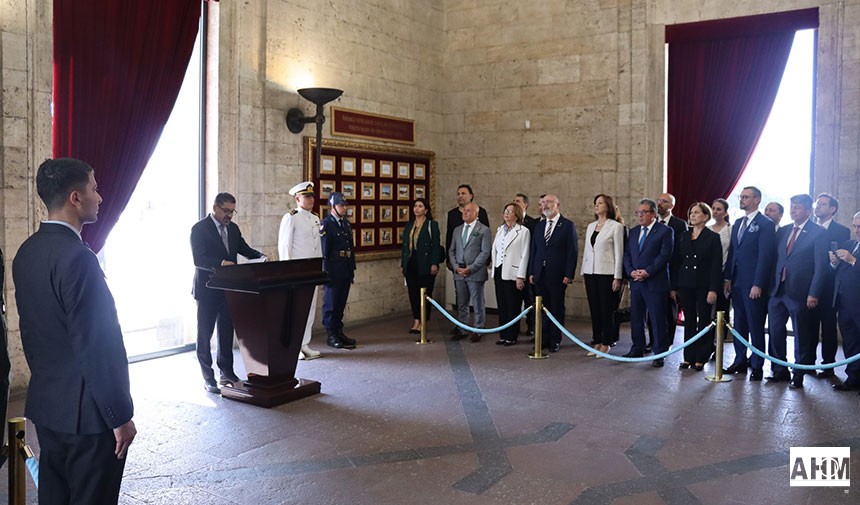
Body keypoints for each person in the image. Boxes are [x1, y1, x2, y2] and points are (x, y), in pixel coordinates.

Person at [13, 158, 136, 504]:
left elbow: (31, 334)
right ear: (75, 198)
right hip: (89, 418)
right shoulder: (79, 258)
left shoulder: (26, 252)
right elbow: (98, 345)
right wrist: (120, 415)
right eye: (94, 188)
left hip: (48, 407)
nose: (100, 196)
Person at [191, 192, 265, 392]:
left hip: (229, 289)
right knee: (204, 334)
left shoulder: (233, 229)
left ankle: (227, 372)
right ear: (215, 207)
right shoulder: (199, 229)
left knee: (226, 332)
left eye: (232, 211)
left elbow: (244, 249)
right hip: (207, 289)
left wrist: (261, 256)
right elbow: (199, 260)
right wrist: (221, 264)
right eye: (226, 211)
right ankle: (208, 377)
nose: (229, 216)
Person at [766, 194, 827, 389]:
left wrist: (814, 293)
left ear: (808, 210)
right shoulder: (783, 230)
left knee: (801, 335)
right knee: (775, 332)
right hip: (778, 290)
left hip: (801, 293)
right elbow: (777, 259)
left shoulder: (818, 233)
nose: (793, 210)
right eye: (792, 207)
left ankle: (798, 374)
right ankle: (779, 370)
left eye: (798, 207)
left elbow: (821, 267)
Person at [723, 186, 776, 380]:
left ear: (756, 200)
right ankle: (739, 360)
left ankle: (757, 365)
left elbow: (765, 256)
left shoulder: (765, 224)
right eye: (741, 196)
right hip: (737, 282)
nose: (742, 200)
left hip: (753, 284)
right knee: (739, 324)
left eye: (746, 197)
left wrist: (758, 283)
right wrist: (728, 278)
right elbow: (733, 254)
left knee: (755, 325)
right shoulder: (738, 223)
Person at [622, 198, 674, 366]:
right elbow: (627, 254)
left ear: (653, 214)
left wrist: (647, 272)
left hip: (655, 282)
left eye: (644, 212)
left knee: (657, 318)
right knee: (636, 317)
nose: (640, 215)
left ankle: (659, 353)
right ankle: (637, 347)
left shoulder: (665, 231)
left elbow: (664, 256)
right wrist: (631, 272)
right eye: (638, 212)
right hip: (636, 281)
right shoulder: (634, 231)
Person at [672, 203, 722, 371]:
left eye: (696, 213)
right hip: (685, 283)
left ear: (706, 216)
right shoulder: (684, 236)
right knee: (689, 321)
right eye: (691, 212)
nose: (692, 216)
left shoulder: (713, 237)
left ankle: (701, 357)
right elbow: (678, 261)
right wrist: (675, 286)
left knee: (704, 321)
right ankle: (688, 357)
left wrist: (713, 289)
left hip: (704, 285)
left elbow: (716, 265)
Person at [279, 181, 323, 360]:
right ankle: (292, 345)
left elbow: (317, 246)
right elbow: (284, 246)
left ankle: (305, 343)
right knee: (294, 309)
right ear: (297, 198)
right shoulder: (291, 217)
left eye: (312, 196)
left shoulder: (315, 218)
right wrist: (286, 271)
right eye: (307, 196)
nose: (311, 199)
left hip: (311, 270)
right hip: (296, 271)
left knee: (309, 307)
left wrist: (319, 268)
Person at [529, 194, 579, 352]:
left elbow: (572, 252)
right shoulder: (539, 225)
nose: (544, 205)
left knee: (556, 308)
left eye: (548, 202)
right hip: (540, 274)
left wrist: (569, 274)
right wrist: (531, 271)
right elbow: (534, 250)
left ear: (557, 205)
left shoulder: (567, 225)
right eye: (542, 203)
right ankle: (542, 338)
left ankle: (555, 339)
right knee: (542, 308)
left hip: (558, 274)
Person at [811, 193, 851, 376]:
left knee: (828, 327)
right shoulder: (809, 228)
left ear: (832, 209)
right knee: (807, 326)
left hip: (828, 286)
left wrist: (833, 262)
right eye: (817, 204)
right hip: (807, 285)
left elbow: (841, 260)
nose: (818, 207)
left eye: (823, 204)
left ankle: (828, 365)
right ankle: (806, 362)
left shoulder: (841, 231)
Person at [580, 194, 625, 357]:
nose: (596, 205)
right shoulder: (591, 226)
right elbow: (586, 251)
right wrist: (583, 272)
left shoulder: (616, 226)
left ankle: (606, 342)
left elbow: (619, 253)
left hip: (607, 273)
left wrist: (617, 277)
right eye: (595, 203)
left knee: (607, 309)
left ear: (608, 206)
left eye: (600, 203)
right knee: (595, 309)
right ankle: (597, 341)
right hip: (591, 272)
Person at [449, 203, 492, 341]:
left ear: (476, 213)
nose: (465, 213)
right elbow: (452, 250)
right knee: (462, 303)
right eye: (464, 211)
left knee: (477, 302)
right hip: (459, 272)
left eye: (468, 211)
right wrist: (456, 267)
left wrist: (471, 268)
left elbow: (485, 252)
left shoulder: (483, 230)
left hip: (475, 272)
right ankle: (462, 328)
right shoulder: (457, 230)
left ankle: (478, 329)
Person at [320, 192, 357, 350]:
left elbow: (351, 248)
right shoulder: (327, 224)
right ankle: (331, 334)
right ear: (332, 206)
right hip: (333, 269)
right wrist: (325, 272)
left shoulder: (345, 224)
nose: (344, 208)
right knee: (331, 303)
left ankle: (339, 331)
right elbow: (324, 251)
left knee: (341, 302)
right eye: (341, 205)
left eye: (345, 205)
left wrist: (352, 268)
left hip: (345, 268)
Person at [492, 202, 531, 346]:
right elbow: (495, 250)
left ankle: (512, 335)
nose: (507, 213)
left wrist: (520, 276)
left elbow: (525, 254)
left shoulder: (523, 231)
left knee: (512, 305)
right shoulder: (500, 229)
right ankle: (503, 334)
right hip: (499, 270)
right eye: (505, 210)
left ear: (517, 215)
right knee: (501, 305)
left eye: (510, 211)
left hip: (513, 272)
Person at [401, 198, 442, 334]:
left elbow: (436, 245)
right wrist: (403, 264)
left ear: (426, 210)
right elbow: (405, 247)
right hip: (411, 263)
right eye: (415, 206)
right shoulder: (409, 225)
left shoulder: (432, 225)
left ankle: (425, 321)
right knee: (413, 293)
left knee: (425, 293)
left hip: (425, 263)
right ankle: (416, 321)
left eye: (420, 206)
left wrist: (434, 263)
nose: (417, 208)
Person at [830, 212, 860, 394]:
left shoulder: (851, 252)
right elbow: (837, 272)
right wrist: (833, 263)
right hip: (845, 303)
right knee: (850, 343)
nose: (857, 230)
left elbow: (852, 264)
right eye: (855, 226)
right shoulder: (850, 244)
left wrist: (853, 260)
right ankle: (853, 378)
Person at [653, 193, 688, 350]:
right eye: (659, 201)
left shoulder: (679, 225)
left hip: (671, 275)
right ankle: (653, 341)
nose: (659, 204)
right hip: (652, 274)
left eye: (664, 202)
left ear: (671, 206)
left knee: (669, 312)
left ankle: (666, 343)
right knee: (652, 312)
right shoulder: (652, 223)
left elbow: (680, 255)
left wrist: (675, 284)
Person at [514, 192, 537, 337]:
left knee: (529, 300)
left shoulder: (532, 223)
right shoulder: (509, 222)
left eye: (518, 201)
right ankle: (514, 327)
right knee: (514, 301)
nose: (515, 203)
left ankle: (531, 326)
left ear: (525, 205)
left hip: (527, 268)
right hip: (513, 269)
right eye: (513, 201)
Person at [708, 198, 732, 333]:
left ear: (725, 212)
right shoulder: (707, 229)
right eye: (713, 208)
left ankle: (720, 343)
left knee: (722, 309)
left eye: (719, 209)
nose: (715, 212)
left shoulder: (730, 230)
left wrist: (728, 277)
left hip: (724, 273)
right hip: (708, 274)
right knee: (708, 310)